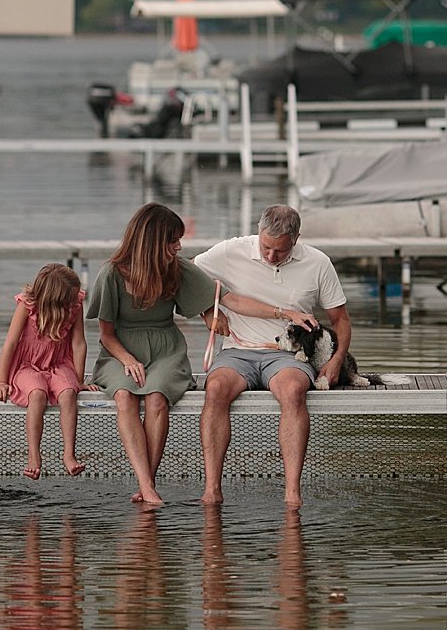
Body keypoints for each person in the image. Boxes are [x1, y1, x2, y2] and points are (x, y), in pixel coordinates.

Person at [87, 202, 315, 506]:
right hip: (120, 350)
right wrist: (127, 359)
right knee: (125, 397)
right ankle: (146, 484)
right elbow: (106, 334)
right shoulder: (112, 272)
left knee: (156, 397)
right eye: (173, 241)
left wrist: (277, 312)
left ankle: (148, 484)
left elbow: (229, 299)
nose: (179, 246)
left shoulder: (177, 267)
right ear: (152, 241)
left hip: (165, 346)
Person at [193, 203, 350, 508]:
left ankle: (292, 492)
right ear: (258, 231)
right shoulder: (230, 251)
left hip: (288, 356)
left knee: (293, 391)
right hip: (238, 351)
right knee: (215, 390)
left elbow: (341, 319)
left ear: (296, 238)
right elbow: (187, 274)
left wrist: (336, 361)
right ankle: (212, 489)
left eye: (280, 251)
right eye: (265, 246)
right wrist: (208, 312)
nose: (270, 256)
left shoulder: (318, 262)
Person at [0, 263, 94, 479]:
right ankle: (34, 456)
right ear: (57, 297)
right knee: (37, 394)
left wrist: (78, 379)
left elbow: (78, 343)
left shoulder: (75, 304)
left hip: (59, 363)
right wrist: (1, 381)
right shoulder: (27, 305)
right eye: (72, 295)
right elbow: (10, 343)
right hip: (27, 365)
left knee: (68, 393)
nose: (77, 298)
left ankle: (68, 455)